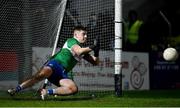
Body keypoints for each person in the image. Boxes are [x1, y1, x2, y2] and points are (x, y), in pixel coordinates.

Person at [8, 25, 100, 100]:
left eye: (86, 35)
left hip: (62, 73)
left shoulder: (83, 50)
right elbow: (79, 51)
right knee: (39, 76)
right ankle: (16, 90)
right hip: (55, 65)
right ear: (76, 34)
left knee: (73, 89)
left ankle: (46, 92)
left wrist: (96, 50)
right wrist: (93, 46)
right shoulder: (72, 41)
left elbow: (95, 62)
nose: (86, 36)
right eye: (83, 34)